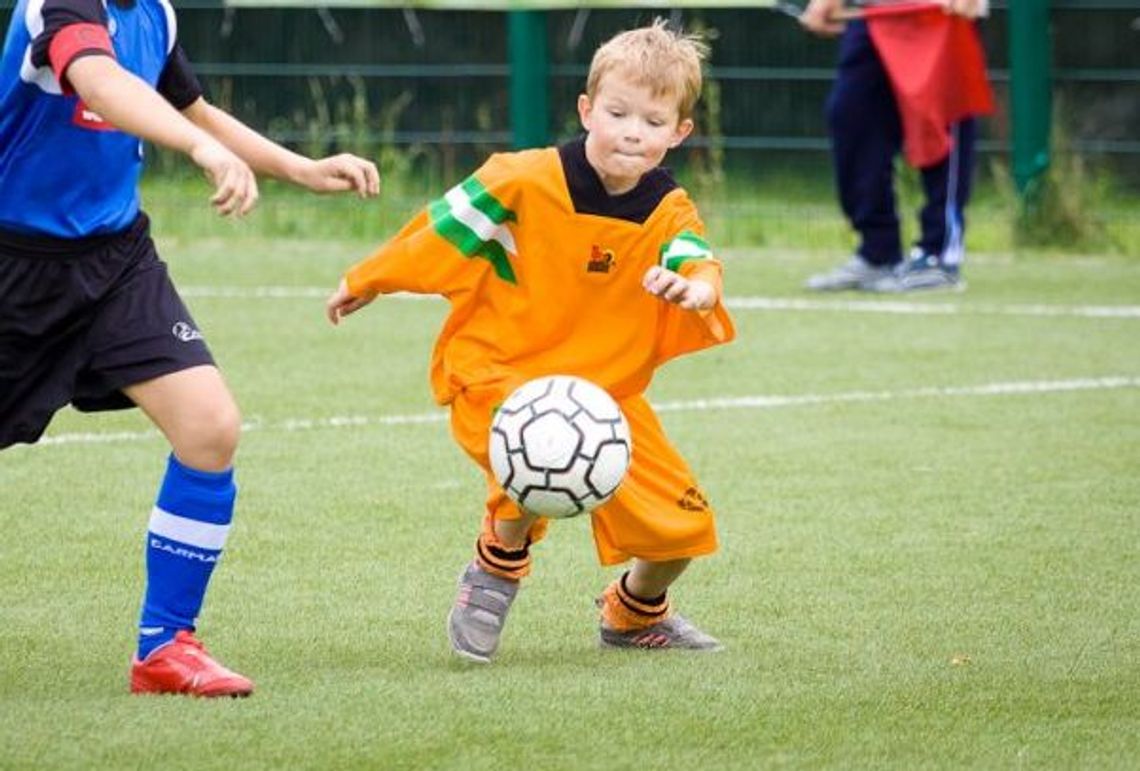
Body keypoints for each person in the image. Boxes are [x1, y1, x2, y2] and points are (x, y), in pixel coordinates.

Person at [0, 0, 379, 697]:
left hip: (116, 261)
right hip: (14, 265)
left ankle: (164, 645)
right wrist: (202, 151)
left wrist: (298, 168)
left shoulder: (156, 13)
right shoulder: (59, 6)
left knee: (209, 426)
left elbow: (195, 109)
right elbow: (99, 81)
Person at [326, 20, 735, 663]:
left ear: (680, 132)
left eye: (653, 122)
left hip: (607, 396)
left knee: (680, 534)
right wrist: (370, 279)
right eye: (618, 112)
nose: (632, 131)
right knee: (532, 450)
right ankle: (499, 563)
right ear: (586, 109)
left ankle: (633, 612)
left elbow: (695, 258)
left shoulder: (667, 207)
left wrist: (700, 289)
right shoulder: (521, 179)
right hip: (500, 366)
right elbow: (438, 228)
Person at [801, 0, 990, 292]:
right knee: (851, 116)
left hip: (940, 11)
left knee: (940, 120)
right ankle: (878, 252)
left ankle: (938, 256)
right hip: (876, 10)